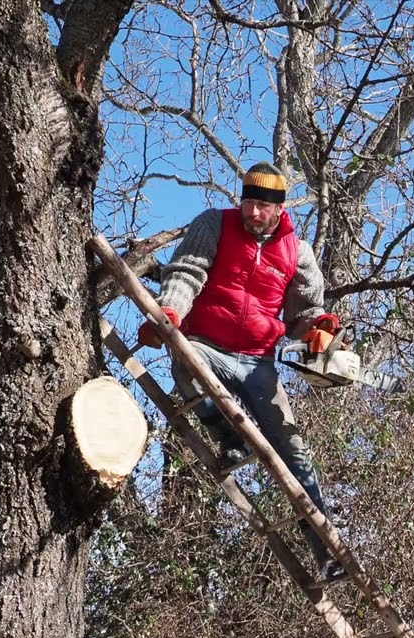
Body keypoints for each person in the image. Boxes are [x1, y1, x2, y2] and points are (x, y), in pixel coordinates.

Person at [138, 161, 346, 582]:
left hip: (258, 362)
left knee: (294, 452)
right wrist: (171, 311)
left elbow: (305, 313)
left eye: (261, 207)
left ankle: (326, 552)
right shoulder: (214, 224)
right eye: (248, 202)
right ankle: (228, 435)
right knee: (186, 362)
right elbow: (187, 272)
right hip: (207, 345)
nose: (253, 213)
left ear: (279, 209)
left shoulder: (298, 254)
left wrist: (319, 331)